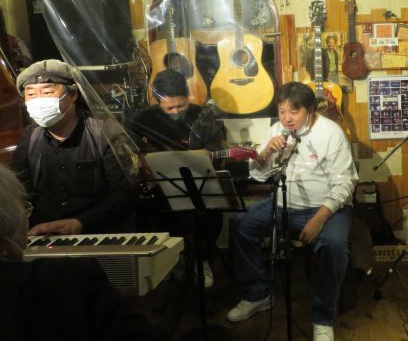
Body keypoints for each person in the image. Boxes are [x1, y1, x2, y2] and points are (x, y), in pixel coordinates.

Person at [227, 82, 358, 341]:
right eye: (282, 111)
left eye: (294, 112)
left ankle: (323, 318)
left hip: (326, 208)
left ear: (310, 110)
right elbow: (260, 174)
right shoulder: (277, 130)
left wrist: (319, 219)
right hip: (282, 203)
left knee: (334, 246)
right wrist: (265, 153)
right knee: (240, 225)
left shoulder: (331, 133)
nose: (286, 118)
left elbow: (345, 183)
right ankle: (259, 293)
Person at [0, 163, 167, 341]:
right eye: (24, 208)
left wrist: (81, 221)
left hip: (103, 228)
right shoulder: (71, 277)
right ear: (9, 220)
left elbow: (124, 194)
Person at [11, 59, 138, 236]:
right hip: (43, 236)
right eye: (31, 94)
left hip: (97, 234)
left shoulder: (105, 132)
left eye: (47, 92)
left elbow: (125, 194)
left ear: (73, 94)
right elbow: (18, 192)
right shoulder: (29, 137)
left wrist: (81, 222)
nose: (39, 100)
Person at [127, 68, 227, 289]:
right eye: (169, 107)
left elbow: (215, 150)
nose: (176, 111)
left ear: (188, 97)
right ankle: (173, 258)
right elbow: (129, 146)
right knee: (151, 211)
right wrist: (140, 159)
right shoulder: (143, 119)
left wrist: (206, 156)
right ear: (158, 101)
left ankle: (202, 259)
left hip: (199, 181)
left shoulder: (202, 116)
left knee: (212, 211)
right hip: (160, 184)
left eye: (181, 106)